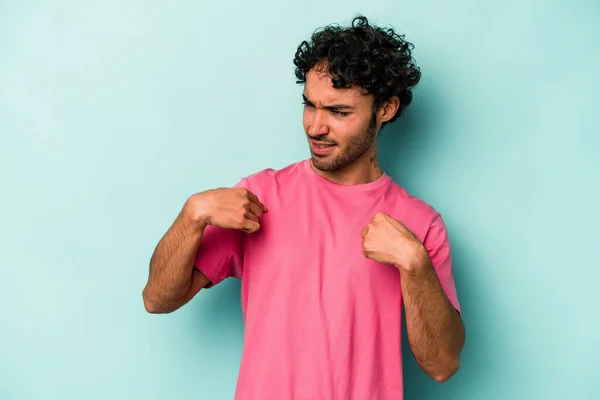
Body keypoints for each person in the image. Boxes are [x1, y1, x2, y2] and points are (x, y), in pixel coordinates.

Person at [143, 15, 465, 400]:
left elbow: (442, 365)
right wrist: (192, 214)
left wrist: (414, 263)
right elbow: (157, 299)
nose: (315, 126)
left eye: (338, 112)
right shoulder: (260, 198)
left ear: (386, 109)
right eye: (310, 105)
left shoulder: (419, 224)